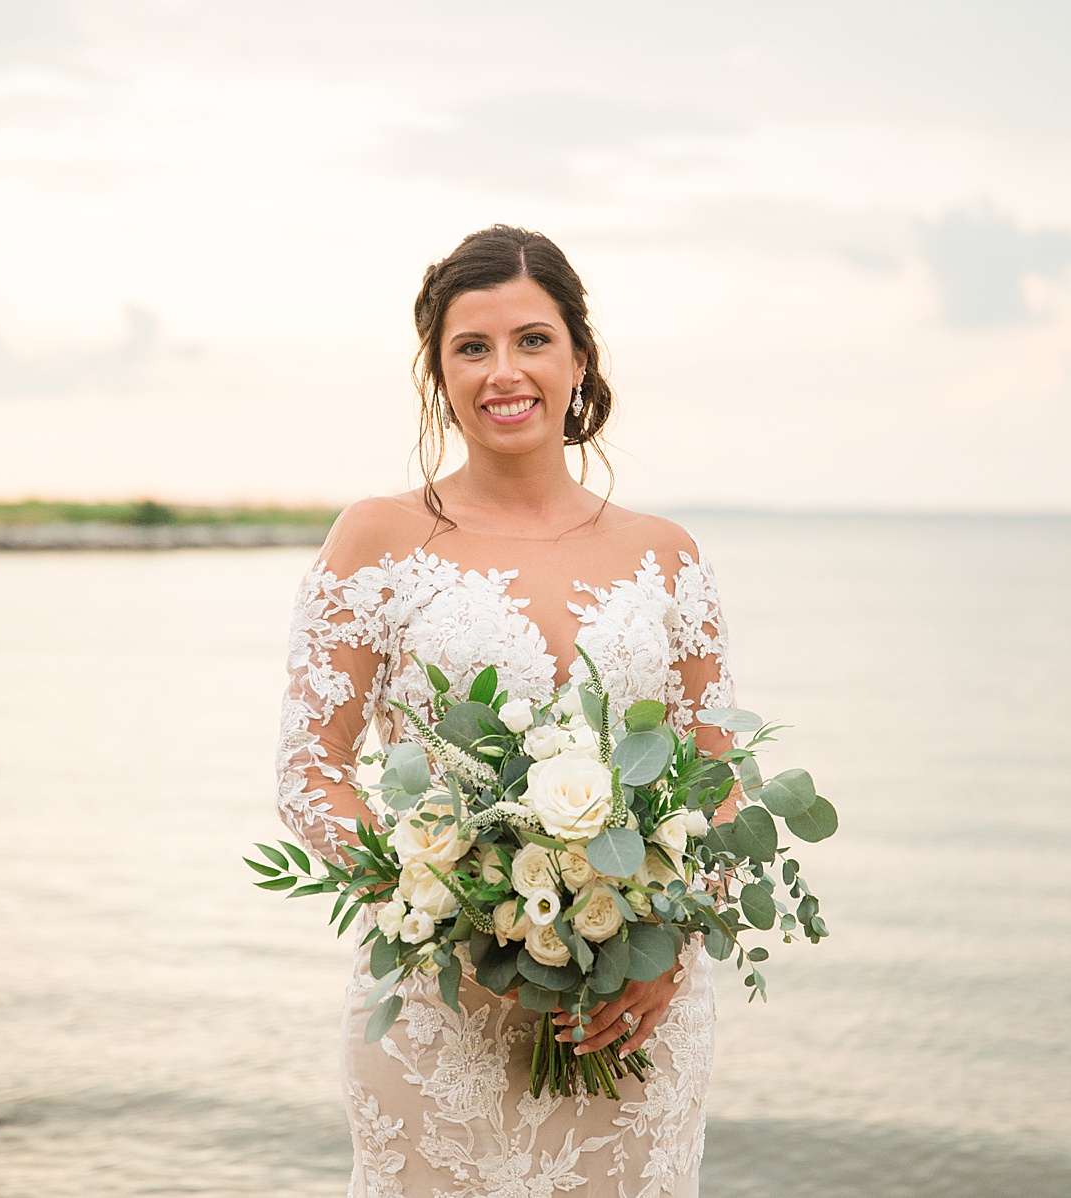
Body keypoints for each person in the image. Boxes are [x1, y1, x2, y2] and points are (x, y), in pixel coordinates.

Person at [275, 224, 741, 1197]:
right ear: (438, 372)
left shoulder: (668, 555)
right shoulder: (379, 538)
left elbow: (716, 777)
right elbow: (309, 773)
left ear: (579, 357)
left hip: (634, 1013)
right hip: (444, 1012)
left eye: (532, 339)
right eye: (471, 347)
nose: (504, 372)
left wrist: (673, 948)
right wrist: (456, 917)